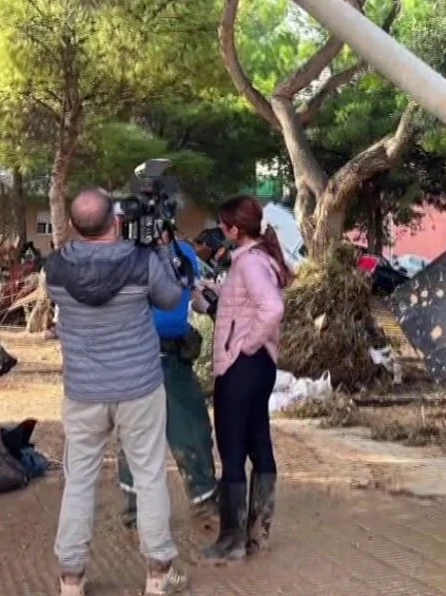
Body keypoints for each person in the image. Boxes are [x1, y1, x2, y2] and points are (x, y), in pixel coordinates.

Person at [46, 188, 188, 596]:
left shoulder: (55, 268)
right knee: (148, 477)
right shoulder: (140, 262)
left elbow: (88, 281)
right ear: (116, 220)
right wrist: (159, 250)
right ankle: (159, 576)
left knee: (78, 481)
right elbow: (171, 297)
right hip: (139, 387)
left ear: (72, 226)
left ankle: (71, 578)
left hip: (84, 391)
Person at [192, 194, 291, 565]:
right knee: (258, 443)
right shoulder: (259, 258)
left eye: (223, 224)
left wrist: (243, 343)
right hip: (260, 365)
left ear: (235, 229)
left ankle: (231, 541)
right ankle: (257, 532)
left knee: (232, 451)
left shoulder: (249, 263)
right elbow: (247, 304)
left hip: (241, 366)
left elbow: (272, 307)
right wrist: (215, 297)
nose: (219, 230)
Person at [116, 231, 220, 528]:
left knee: (192, 428)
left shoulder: (183, 253)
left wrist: (214, 306)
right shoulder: (123, 256)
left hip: (173, 358)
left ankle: (203, 499)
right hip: (136, 357)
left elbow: (194, 294)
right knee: (135, 433)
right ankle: (136, 508)